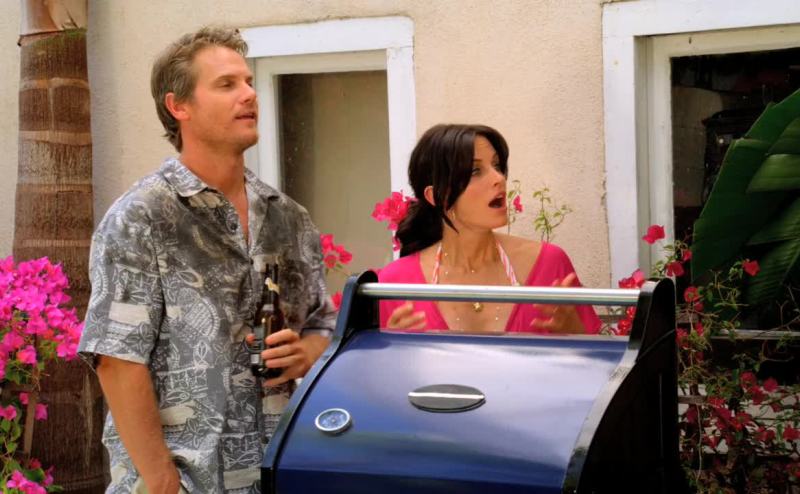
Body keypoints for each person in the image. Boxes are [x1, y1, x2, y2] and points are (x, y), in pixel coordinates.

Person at [78, 27, 335, 493]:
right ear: (179, 106)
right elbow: (117, 358)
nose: (249, 94)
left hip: (276, 472)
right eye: (227, 84)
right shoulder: (143, 217)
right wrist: (161, 482)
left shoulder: (288, 217)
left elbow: (324, 324)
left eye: (249, 81)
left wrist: (306, 353)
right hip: (182, 482)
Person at [378, 124, 601, 334]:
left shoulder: (549, 263)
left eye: (497, 166)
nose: (499, 178)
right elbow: (383, 363)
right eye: (475, 171)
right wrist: (393, 348)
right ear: (437, 196)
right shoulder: (395, 283)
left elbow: (599, 358)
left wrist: (576, 332)